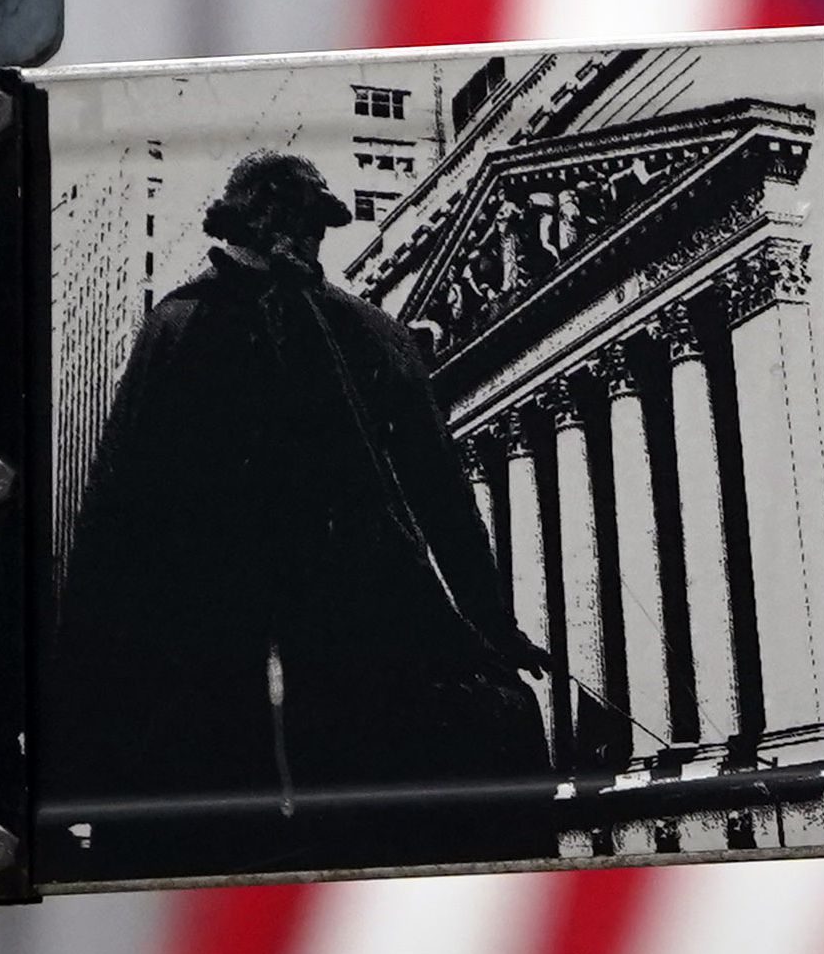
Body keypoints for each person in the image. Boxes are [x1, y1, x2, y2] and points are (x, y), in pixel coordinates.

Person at [53, 150, 583, 813]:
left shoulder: (188, 324)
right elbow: (444, 499)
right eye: (303, 223)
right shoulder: (358, 331)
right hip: (303, 624)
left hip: (251, 629)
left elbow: (114, 506)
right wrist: (489, 623)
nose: (304, 237)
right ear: (291, 229)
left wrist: (82, 649)